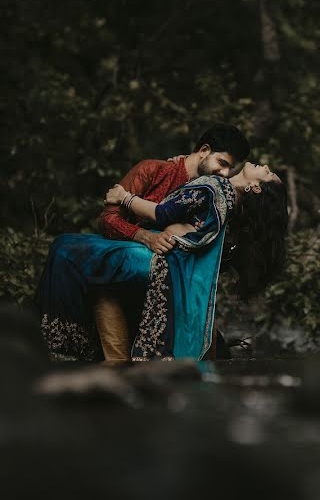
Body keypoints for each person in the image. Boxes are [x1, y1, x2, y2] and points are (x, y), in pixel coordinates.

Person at [36, 162, 287, 366]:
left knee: (65, 247)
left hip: (154, 260)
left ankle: (63, 347)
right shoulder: (233, 209)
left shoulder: (216, 189)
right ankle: (100, 356)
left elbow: (163, 213)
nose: (264, 165)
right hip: (174, 270)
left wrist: (125, 197)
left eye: (267, 172)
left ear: (255, 187)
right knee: (97, 272)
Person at [94, 124, 250, 365]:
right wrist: (145, 236)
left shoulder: (215, 192)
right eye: (222, 163)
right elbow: (107, 221)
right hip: (135, 267)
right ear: (204, 150)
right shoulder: (153, 170)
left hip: (179, 283)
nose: (225, 173)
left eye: (231, 168)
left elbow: (168, 216)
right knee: (103, 283)